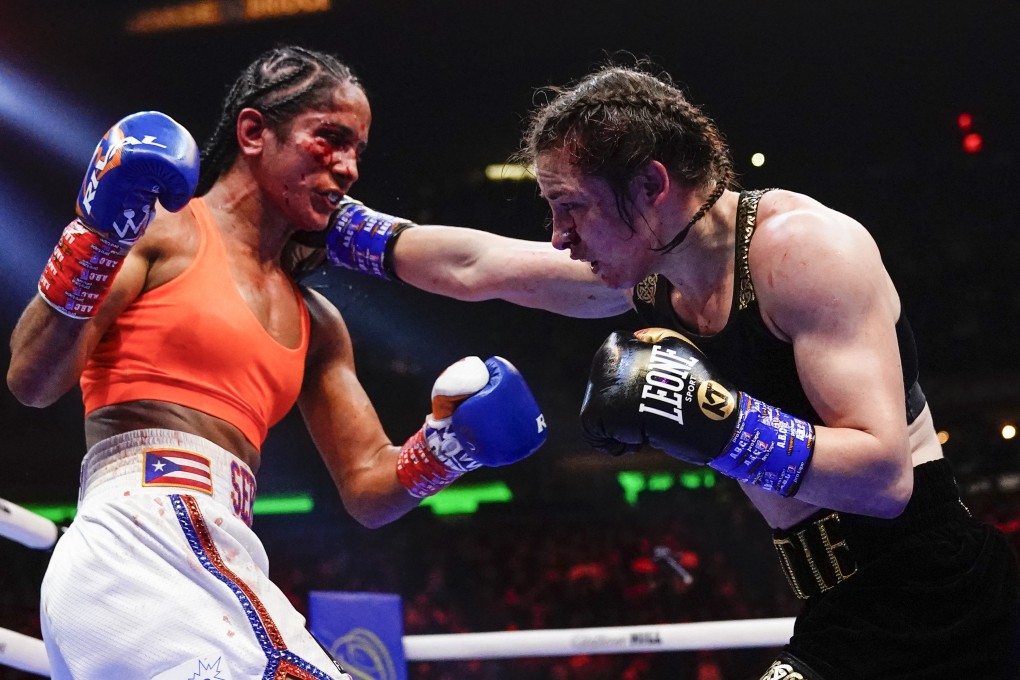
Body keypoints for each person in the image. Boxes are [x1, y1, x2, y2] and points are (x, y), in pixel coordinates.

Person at [301, 63, 1020, 678]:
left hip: (940, 594)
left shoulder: (803, 252)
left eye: (572, 207)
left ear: (650, 186)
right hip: (843, 609)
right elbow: (476, 265)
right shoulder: (653, 276)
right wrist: (333, 228)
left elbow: (884, 479)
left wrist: (714, 422)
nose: (559, 235)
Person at [6, 45, 547, 680]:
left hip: (214, 552)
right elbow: (32, 380)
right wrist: (97, 238)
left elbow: (370, 489)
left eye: (358, 152)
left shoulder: (318, 322)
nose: (347, 168)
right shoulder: (161, 231)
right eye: (330, 139)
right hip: (141, 542)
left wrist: (450, 448)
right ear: (254, 132)